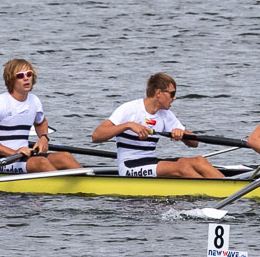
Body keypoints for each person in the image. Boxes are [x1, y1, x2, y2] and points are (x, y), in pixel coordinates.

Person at [91, 73, 223, 179]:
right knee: (182, 168)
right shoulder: (129, 109)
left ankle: (230, 190)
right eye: (172, 94)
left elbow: (194, 143)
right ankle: (210, 196)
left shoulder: (166, 114)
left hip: (150, 162)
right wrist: (128, 125)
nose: (175, 98)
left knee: (199, 161)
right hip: (129, 167)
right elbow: (96, 136)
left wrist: (183, 136)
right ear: (159, 93)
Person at [0, 59, 83, 173]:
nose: (26, 78)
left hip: (25, 156)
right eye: (20, 75)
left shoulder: (34, 101)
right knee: (41, 162)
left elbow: (41, 122)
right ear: (11, 80)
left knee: (65, 157)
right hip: (4, 161)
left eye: (29, 74)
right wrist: (14, 152)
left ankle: (86, 184)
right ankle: (63, 188)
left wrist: (43, 138)